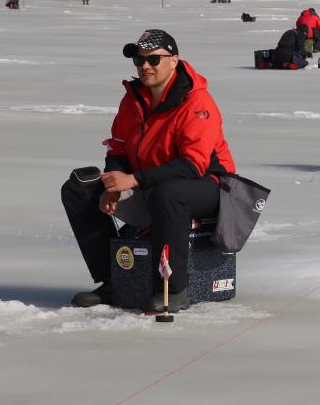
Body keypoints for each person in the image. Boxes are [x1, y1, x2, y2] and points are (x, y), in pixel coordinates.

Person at [61, 29, 236, 312]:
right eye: (139, 60)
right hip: (150, 185)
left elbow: (193, 165)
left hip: (209, 186)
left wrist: (133, 180)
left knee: (169, 192)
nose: (145, 66)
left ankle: (173, 288)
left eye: (154, 59)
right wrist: (112, 186)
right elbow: (118, 149)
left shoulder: (197, 102)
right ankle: (114, 279)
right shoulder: (133, 100)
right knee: (79, 189)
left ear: (174, 61)